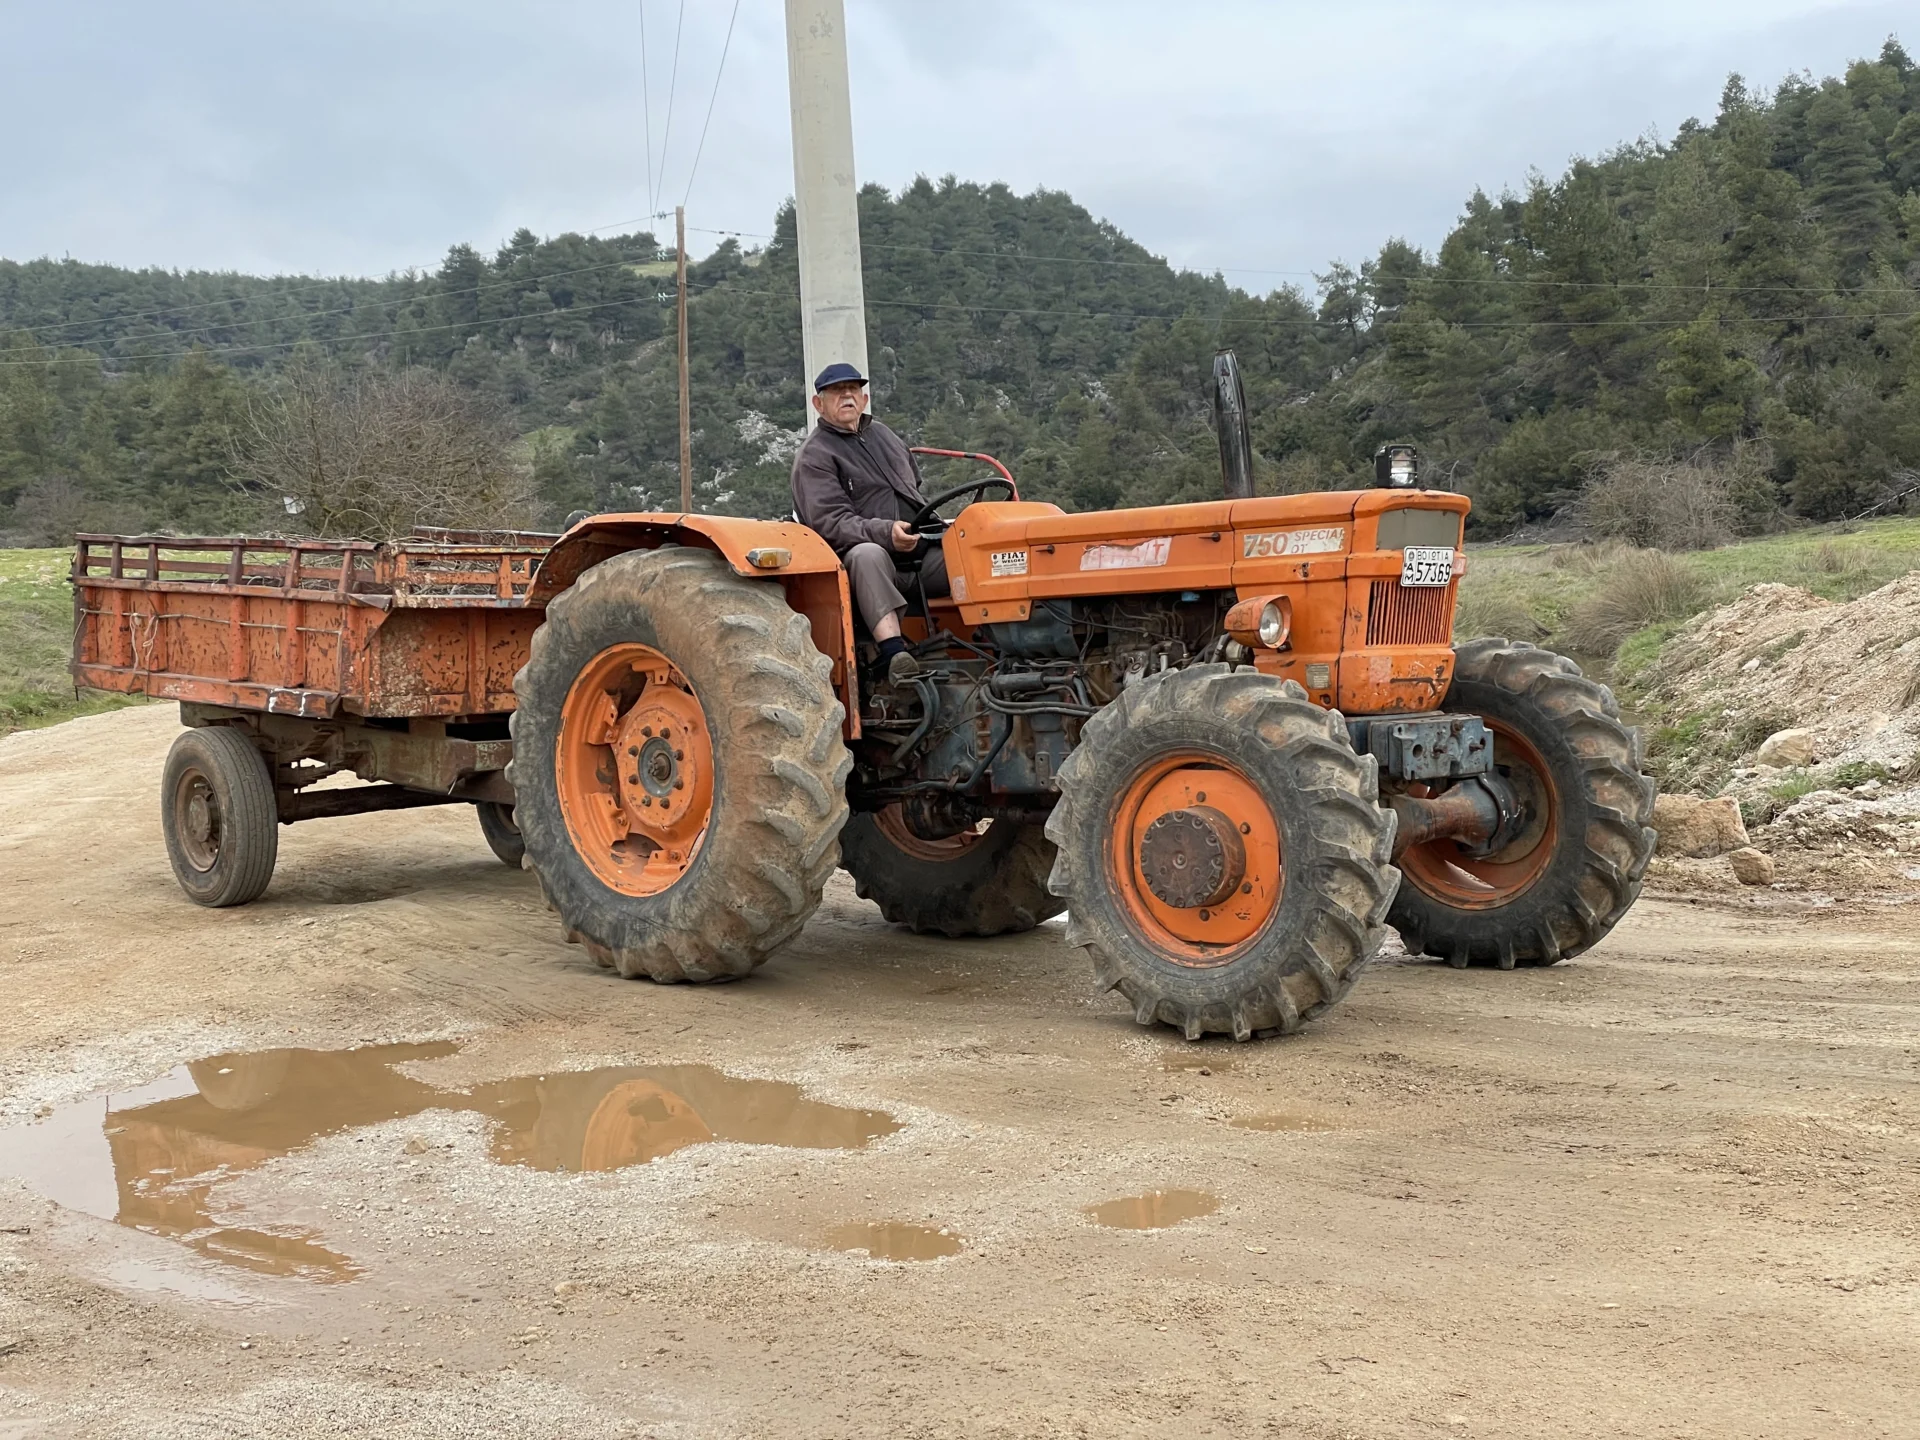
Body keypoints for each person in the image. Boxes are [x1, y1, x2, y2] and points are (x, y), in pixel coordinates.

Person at [789, 362, 949, 685]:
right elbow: (831, 523)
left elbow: (913, 487)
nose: (847, 395)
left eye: (853, 389)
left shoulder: (885, 436)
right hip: (861, 564)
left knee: (974, 550)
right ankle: (893, 653)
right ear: (818, 404)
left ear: (864, 399)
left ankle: (1010, 643)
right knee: (868, 554)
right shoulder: (814, 456)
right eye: (836, 391)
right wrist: (886, 533)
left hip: (916, 551)